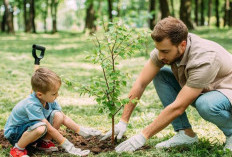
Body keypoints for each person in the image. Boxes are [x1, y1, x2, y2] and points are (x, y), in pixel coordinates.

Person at [101, 16, 232, 153]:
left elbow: (179, 107)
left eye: (165, 51)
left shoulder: (205, 58)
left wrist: (142, 136)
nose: (160, 55)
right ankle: (185, 133)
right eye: (158, 50)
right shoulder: (165, 49)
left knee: (206, 104)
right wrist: (123, 121)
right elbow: (141, 82)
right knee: (160, 74)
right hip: (204, 87)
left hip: (226, 88)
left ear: (182, 45)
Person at [4, 67, 102, 157]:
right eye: (54, 93)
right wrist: (68, 145)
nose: (57, 95)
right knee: (41, 128)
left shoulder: (49, 100)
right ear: (39, 94)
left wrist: (81, 130)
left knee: (58, 115)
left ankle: (44, 142)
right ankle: (17, 149)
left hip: (30, 130)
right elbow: (49, 128)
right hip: (15, 134)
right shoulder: (32, 104)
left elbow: (64, 118)